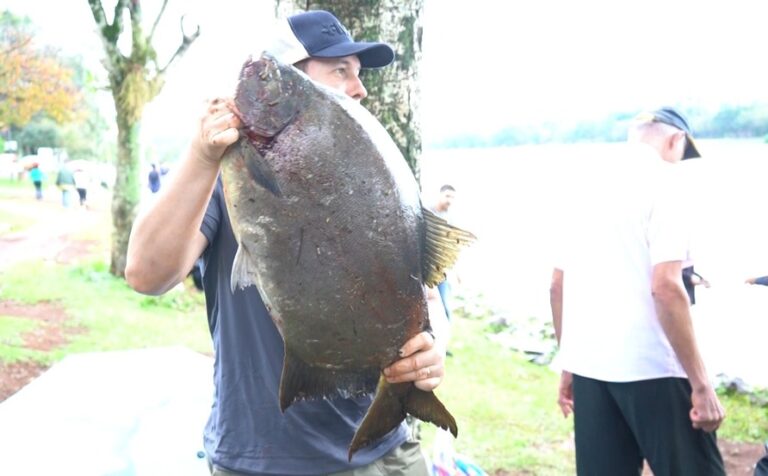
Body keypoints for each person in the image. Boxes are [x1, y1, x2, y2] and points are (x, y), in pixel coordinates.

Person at [125, 10, 445, 476]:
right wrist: (200, 156)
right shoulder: (225, 174)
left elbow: (426, 294)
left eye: (359, 74)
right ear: (288, 83)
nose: (360, 89)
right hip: (260, 459)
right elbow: (145, 274)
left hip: (385, 454)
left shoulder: (371, 182)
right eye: (340, 71)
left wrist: (432, 354)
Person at [550, 107, 726, 475]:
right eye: (682, 153)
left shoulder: (583, 185)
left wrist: (569, 362)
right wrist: (701, 384)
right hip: (653, 366)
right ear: (675, 140)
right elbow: (665, 287)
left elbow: (557, 285)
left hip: (591, 367)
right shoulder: (666, 182)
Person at [430, 185, 457, 321]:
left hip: (441, 271)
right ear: (440, 195)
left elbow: (453, 247)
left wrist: (457, 273)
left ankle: (443, 339)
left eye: (452, 197)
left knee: (445, 308)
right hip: (423, 269)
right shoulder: (427, 211)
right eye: (447, 196)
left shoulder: (450, 220)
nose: (449, 200)